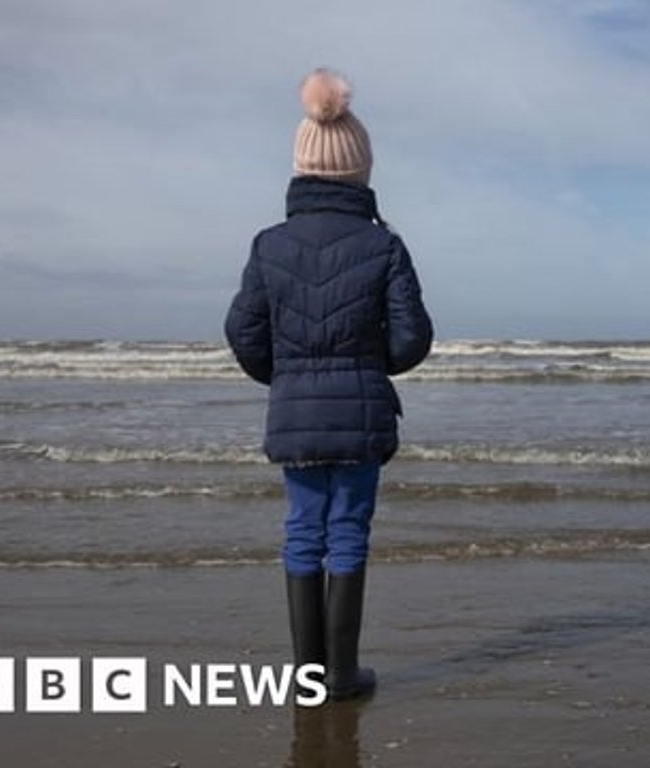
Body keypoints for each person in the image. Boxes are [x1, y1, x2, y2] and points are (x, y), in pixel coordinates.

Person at [224, 68, 433, 701]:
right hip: (362, 413)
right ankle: (342, 675)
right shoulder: (383, 245)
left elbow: (243, 331)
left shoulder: (269, 245)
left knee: (302, 529)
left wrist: (286, 377)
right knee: (347, 530)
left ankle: (307, 677)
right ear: (360, 172)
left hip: (294, 412)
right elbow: (412, 337)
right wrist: (370, 369)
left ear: (302, 168)